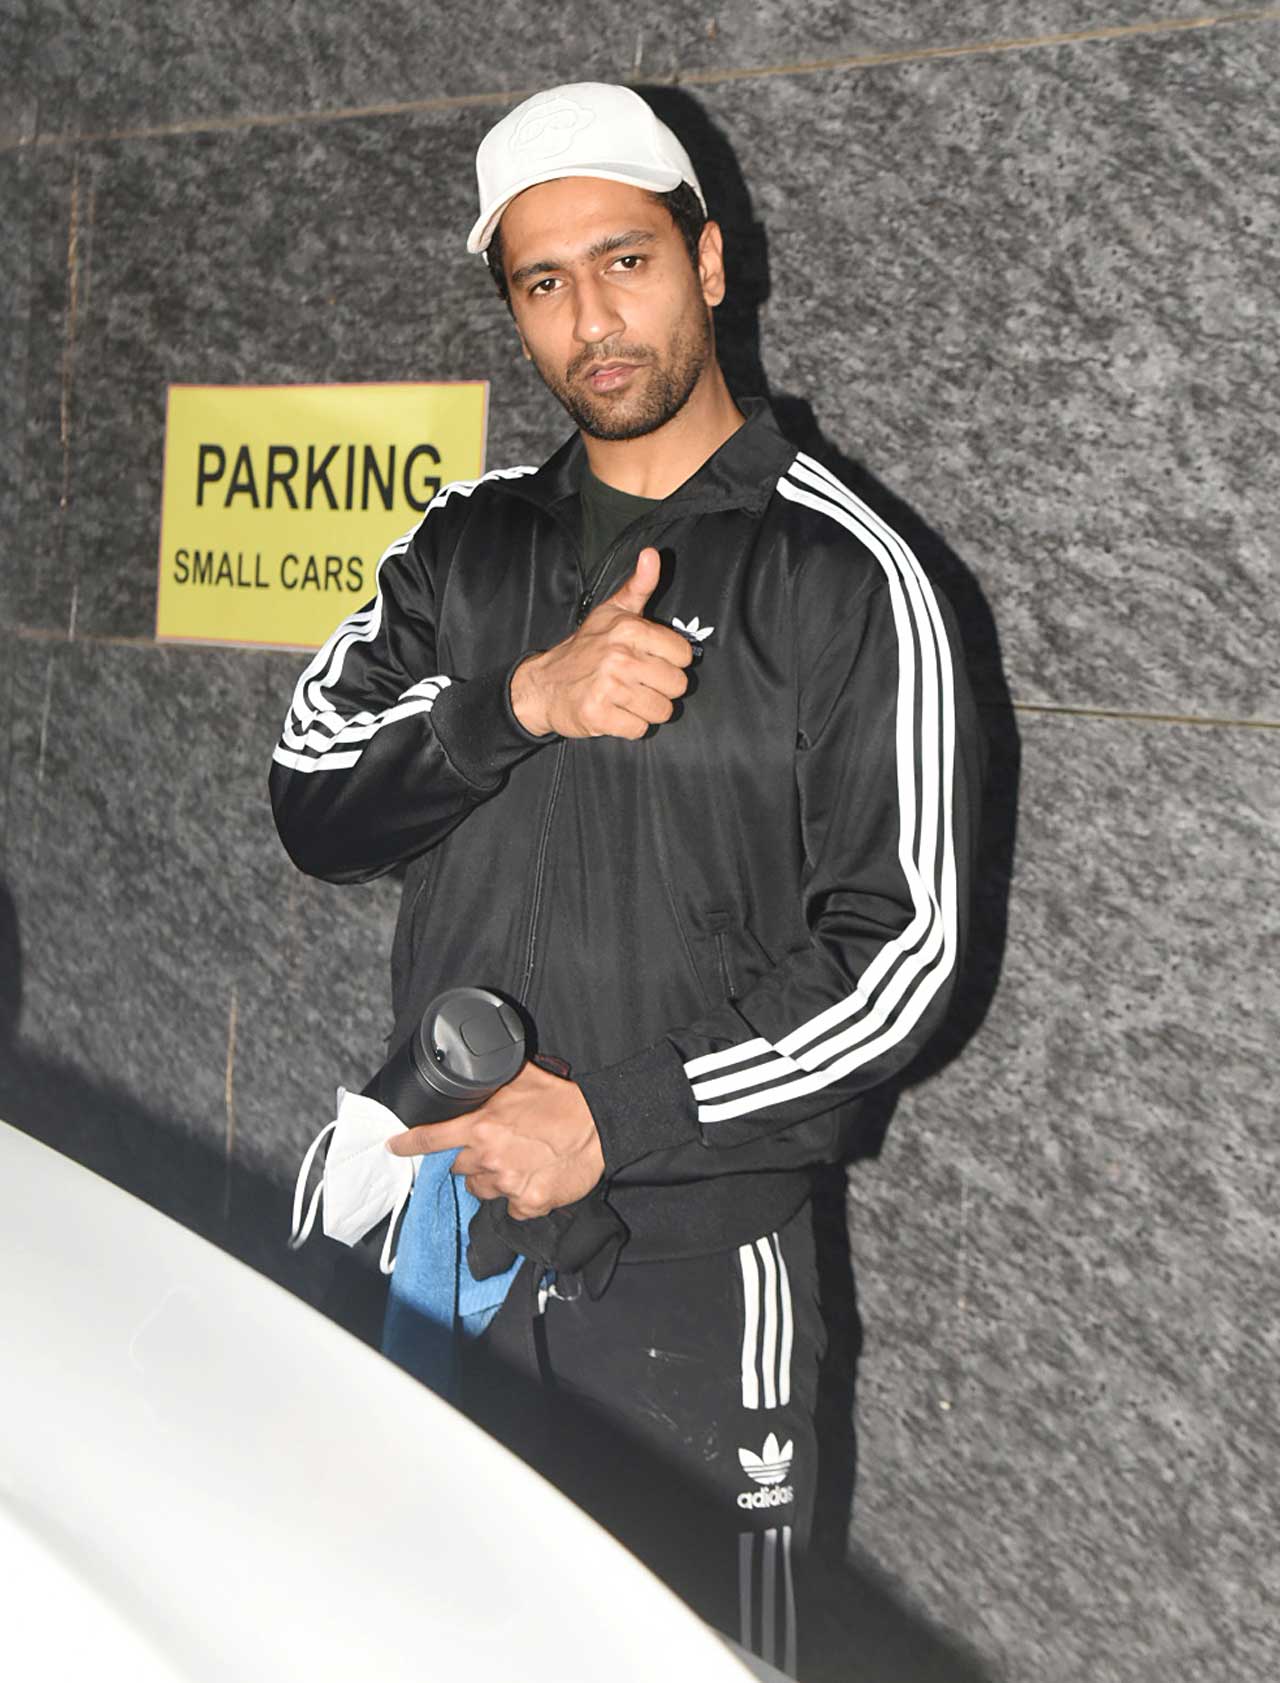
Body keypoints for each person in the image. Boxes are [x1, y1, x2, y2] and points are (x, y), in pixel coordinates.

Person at [269, 81, 981, 1674]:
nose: (591, 317)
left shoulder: (847, 572)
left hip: (689, 1268)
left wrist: (617, 1117)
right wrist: (511, 702)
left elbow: (907, 956)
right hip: (441, 1232)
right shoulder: (465, 550)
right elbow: (312, 802)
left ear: (709, 263)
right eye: (542, 283)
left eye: (626, 261)